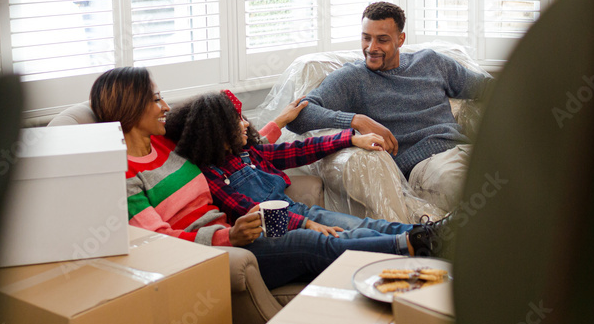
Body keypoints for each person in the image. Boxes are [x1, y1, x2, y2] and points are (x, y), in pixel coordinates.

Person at [90, 67, 449, 289]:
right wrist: (229, 234)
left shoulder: (167, 142)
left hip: (245, 229)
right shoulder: (121, 174)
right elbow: (159, 242)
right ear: (130, 107)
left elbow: (235, 139)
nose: (165, 106)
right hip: (216, 251)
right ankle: (415, 245)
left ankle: (433, 234)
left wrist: (280, 122)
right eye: (155, 99)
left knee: (355, 226)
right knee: (315, 242)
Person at [287, 1, 493, 212]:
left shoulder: (431, 62)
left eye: (382, 40)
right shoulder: (353, 78)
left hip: (463, 149)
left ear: (400, 39)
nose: (371, 48)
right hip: (426, 166)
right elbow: (298, 116)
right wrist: (356, 120)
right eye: (366, 37)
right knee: (474, 188)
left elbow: (487, 88)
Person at [164, 89, 442, 242]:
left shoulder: (249, 153)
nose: (246, 123)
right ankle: (418, 244)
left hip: (301, 213)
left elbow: (300, 150)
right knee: (354, 235)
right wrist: (306, 223)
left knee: (365, 224)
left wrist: (351, 138)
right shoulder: (213, 177)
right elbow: (248, 212)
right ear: (216, 133)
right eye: (236, 121)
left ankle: (429, 235)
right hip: (284, 228)